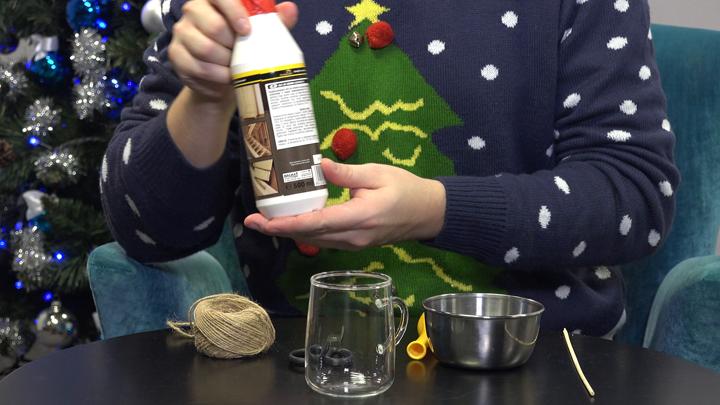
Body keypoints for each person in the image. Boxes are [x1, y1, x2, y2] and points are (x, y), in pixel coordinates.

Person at [101, 0, 679, 338]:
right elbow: (146, 228)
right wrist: (205, 99)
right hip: (290, 363)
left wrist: (437, 211)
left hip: (534, 361)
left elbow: (634, 194)